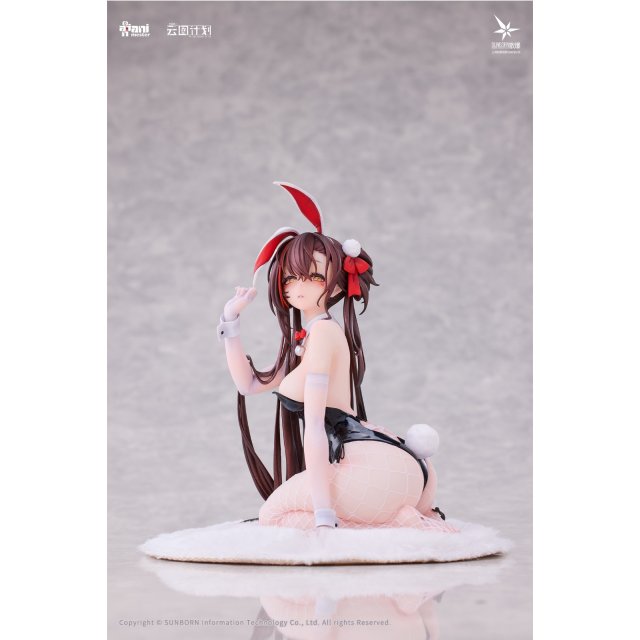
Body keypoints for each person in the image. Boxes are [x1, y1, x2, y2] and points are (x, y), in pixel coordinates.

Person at [217, 183, 457, 532]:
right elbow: (249, 384)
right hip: (379, 462)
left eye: (313, 276)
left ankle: (377, 524)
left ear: (340, 284)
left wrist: (323, 514)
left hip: (362, 463)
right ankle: (396, 519)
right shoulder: (308, 339)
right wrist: (230, 322)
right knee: (278, 514)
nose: (298, 286)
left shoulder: (324, 334)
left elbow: (315, 426)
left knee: (273, 517)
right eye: (290, 278)